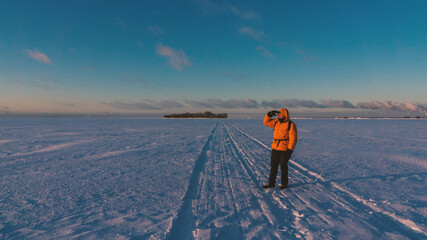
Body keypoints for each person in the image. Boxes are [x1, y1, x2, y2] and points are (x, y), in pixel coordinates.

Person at [263, 108, 297, 189]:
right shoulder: (276, 122)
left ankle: (284, 184)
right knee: (273, 166)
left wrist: (290, 150)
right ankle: (271, 183)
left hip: (285, 149)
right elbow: (266, 122)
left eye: (280, 114)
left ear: (285, 115)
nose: (278, 115)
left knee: (283, 167)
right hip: (275, 148)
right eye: (278, 114)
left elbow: (293, 139)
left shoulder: (290, 124)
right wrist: (269, 115)